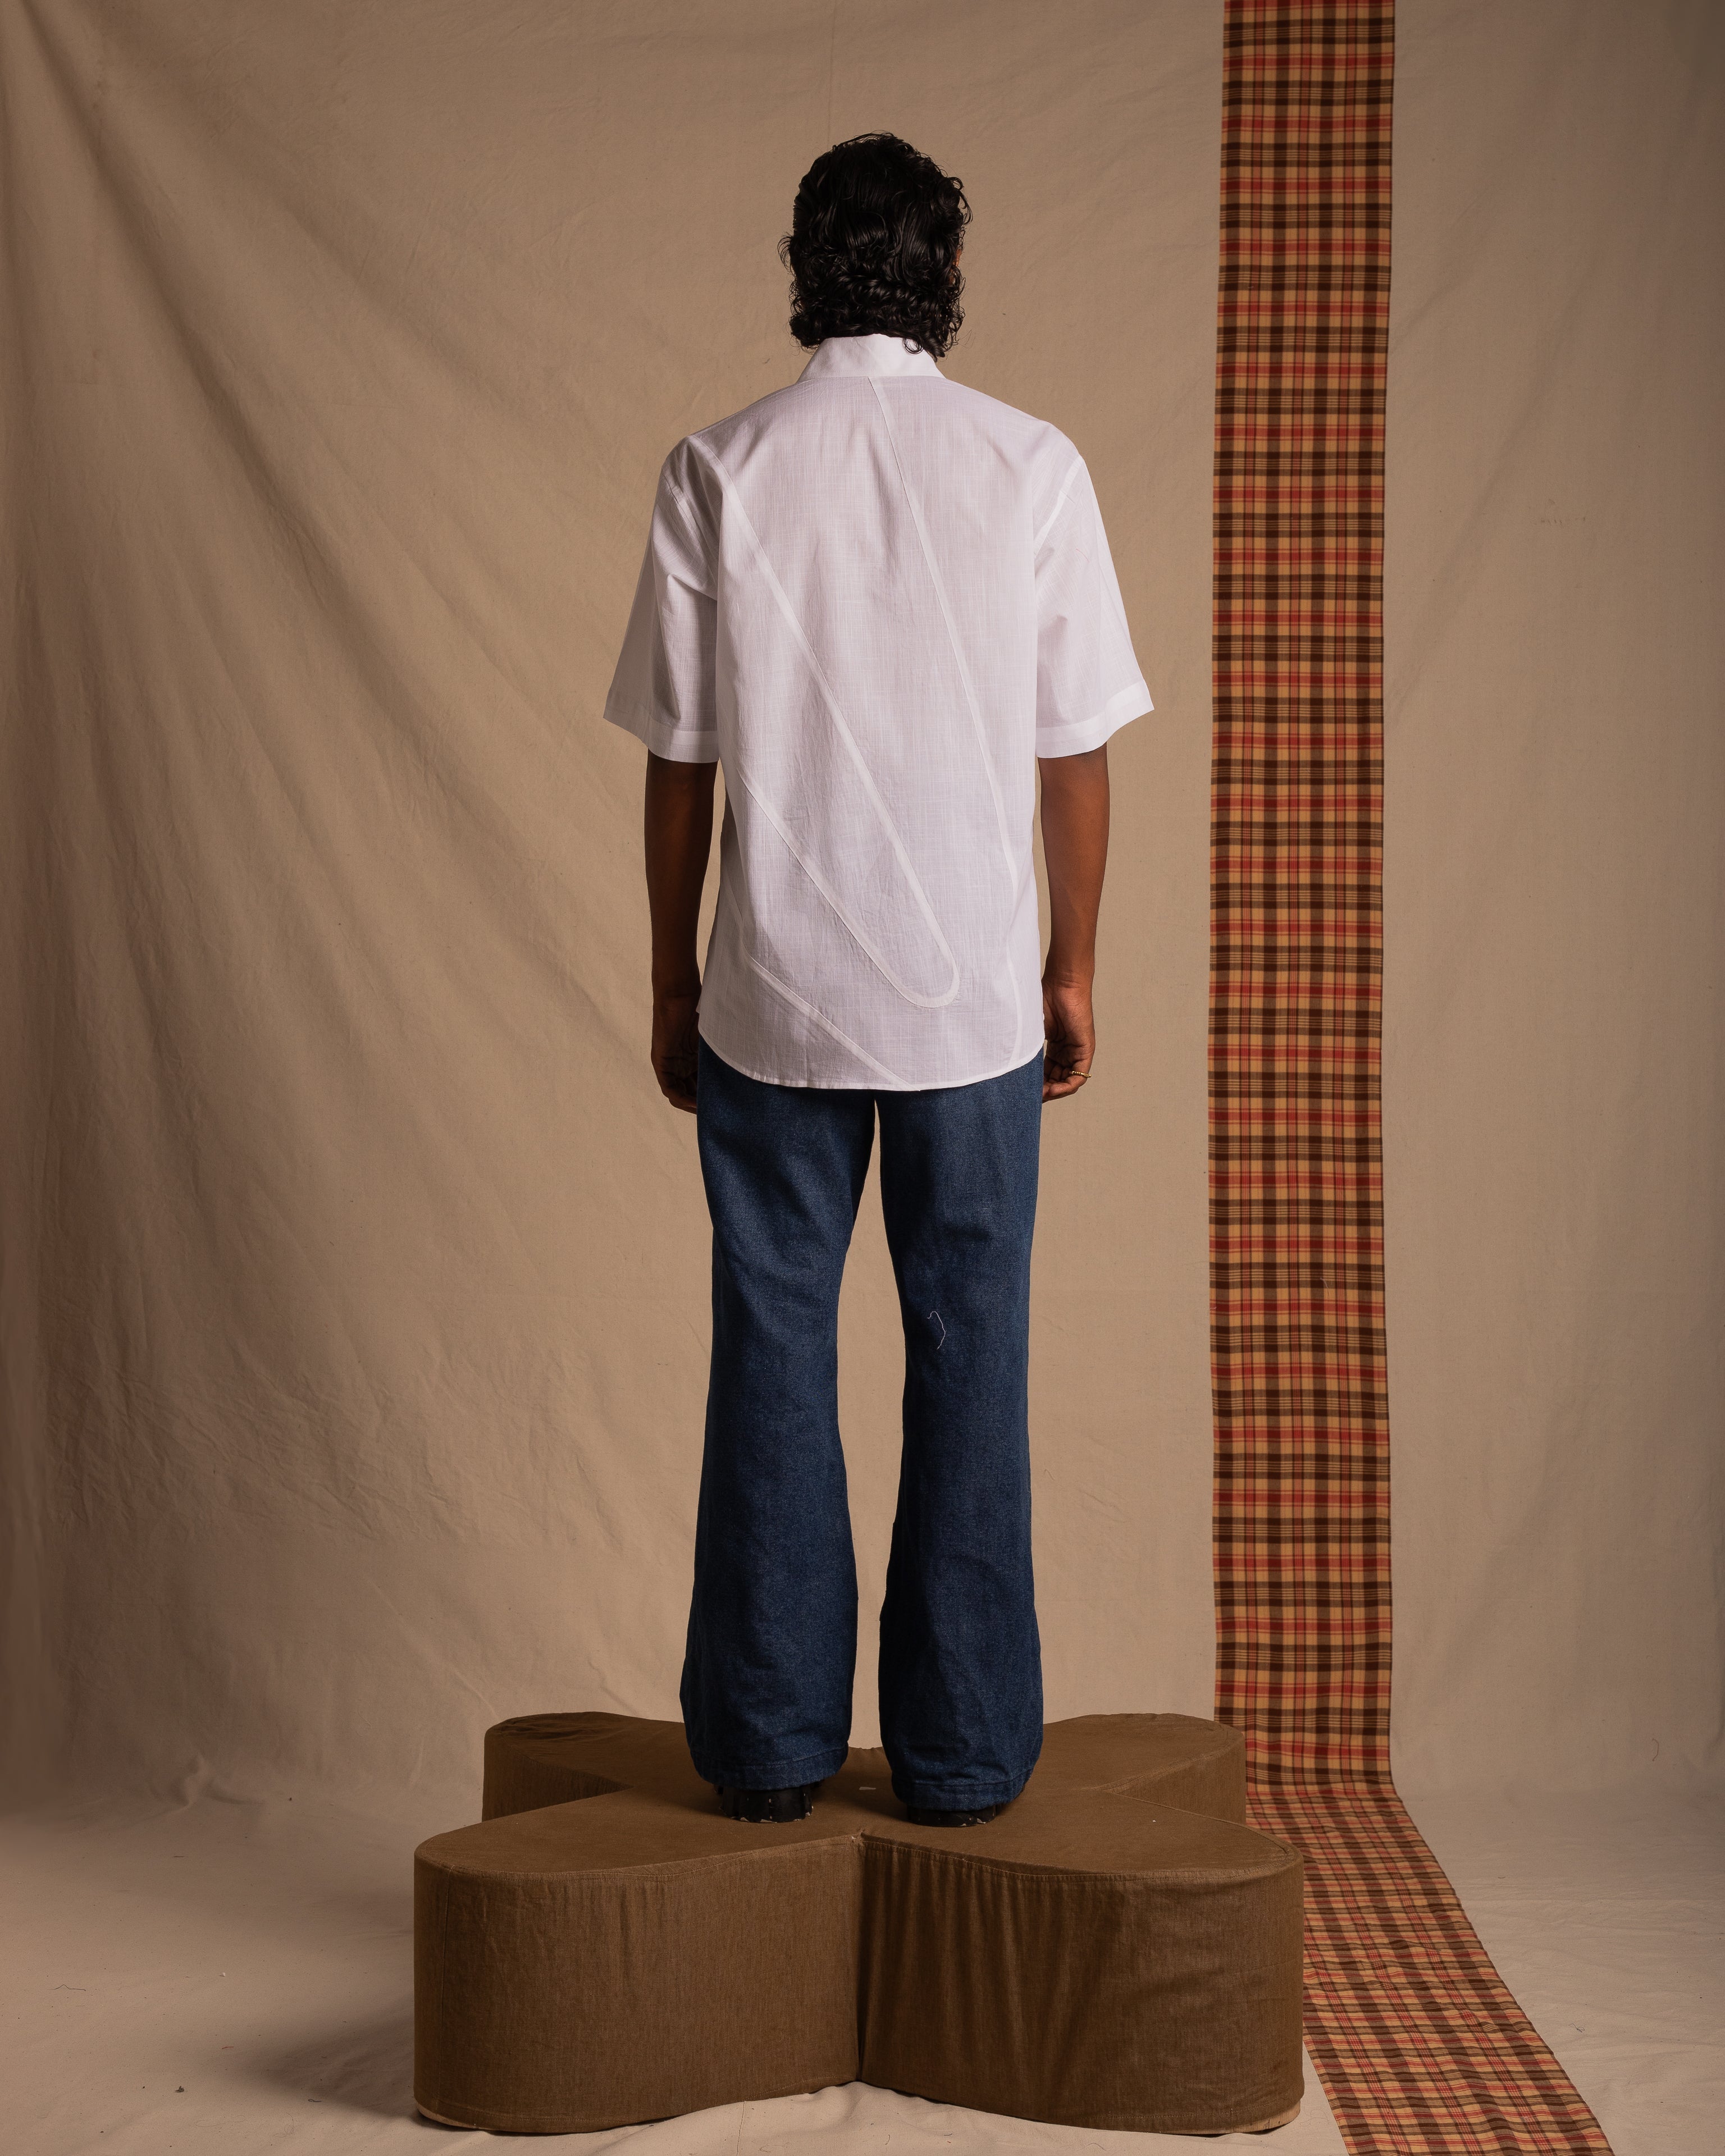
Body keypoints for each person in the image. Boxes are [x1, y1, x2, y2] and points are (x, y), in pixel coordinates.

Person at [603, 133, 1152, 1828]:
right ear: (947, 276)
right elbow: (1075, 749)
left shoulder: (718, 467)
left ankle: (768, 1753)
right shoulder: (1032, 465)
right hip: (973, 1001)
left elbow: (680, 759)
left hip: (774, 989)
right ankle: (965, 1759)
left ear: (804, 271)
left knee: (771, 1346)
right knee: (971, 1354)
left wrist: (673, 981)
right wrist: (1073, 969)